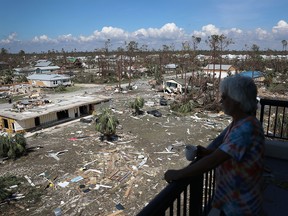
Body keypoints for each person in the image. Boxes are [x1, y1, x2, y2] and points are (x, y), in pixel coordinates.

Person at [164, 75, 265, 216]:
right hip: (234, 200)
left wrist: (178, 174)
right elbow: (229, 154)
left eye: (224, 97)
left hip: (241, 206)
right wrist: (208, 152)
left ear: (238, 100)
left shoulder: (245, 129)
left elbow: (213, 162)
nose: (221, 100)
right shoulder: (240, 122)